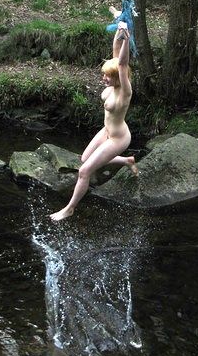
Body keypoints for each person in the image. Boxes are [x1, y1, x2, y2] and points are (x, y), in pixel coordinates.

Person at [50, 11, 137, 221]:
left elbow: (123, 64)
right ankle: (127, 161)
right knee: (84, 158)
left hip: (119, 138)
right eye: (104, 74)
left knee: (84, 171)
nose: (104, 78)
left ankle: (70, 208)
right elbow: (116, 51)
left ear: (119, 78)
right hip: (106, 130)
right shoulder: (113, 81)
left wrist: (128, 38)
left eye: (108, 76)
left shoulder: (125, 92)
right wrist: (120, 27)